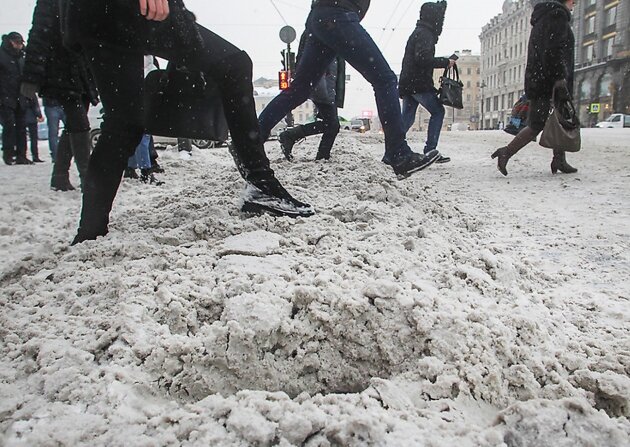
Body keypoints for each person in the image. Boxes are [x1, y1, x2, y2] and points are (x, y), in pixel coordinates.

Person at [60, 0, 314, 244]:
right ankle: (261, 183)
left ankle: (90, 230)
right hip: (128, 9)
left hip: (94, 13)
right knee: (234, 64)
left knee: (124, 122)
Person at [258, 0, 440, 178]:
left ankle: (252, 139)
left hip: (320, 17)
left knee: (300, 89)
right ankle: (398, 154)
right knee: (385, 79)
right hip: (338, 15)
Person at [491, 0, 577, 176]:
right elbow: (554, 51)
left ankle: (559, 159)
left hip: (540, 78)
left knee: (560, 118)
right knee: (539, 122)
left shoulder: (544, 17)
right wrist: (560, 78)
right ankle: (506, 152)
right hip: (550, 81)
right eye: (572, 0)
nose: (574, 3)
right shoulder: (557, 16)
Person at [21, 0, 99, 191]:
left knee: (74, 126)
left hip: (82, 71)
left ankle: (59, 176)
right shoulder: (50, 3)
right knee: (79, 124)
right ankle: (87, 177)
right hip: (60, 71)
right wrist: (30, 77)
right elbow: (38, 35)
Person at [399, 1, 454, 164]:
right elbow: (422, 58)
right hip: (418, 83)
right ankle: (430, 150)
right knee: (438, 111)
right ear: (435, 18)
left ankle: (393, 148)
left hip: (409, 82)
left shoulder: (419, 31)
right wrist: (446, 62)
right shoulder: (426, 34)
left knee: (407, 119)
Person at [277, 31, 345, 161]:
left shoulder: (327, 30)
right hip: (321, 85)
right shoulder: (321, 31)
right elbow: (312, 62)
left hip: (325, 85)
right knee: (332, 125)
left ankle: (293, 136)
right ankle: (320, 156)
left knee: (330, 124)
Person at [0, 32, 31, 165]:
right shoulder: (2, 56)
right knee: (9, 126)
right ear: (12, 42)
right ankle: (8, 154)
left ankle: (21, 155)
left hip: (20, 97)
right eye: (18, 43)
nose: (20, 45)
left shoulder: (22, 57)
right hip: (5, 97)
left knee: (21, 127)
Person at [23, 95, 45, 162]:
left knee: (22, 137)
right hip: (31, 117)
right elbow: (35, 105)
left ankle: (22, 155)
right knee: (34, 138)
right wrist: (39, 115)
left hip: (22, 117)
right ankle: (35, 155)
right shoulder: (31, 93)